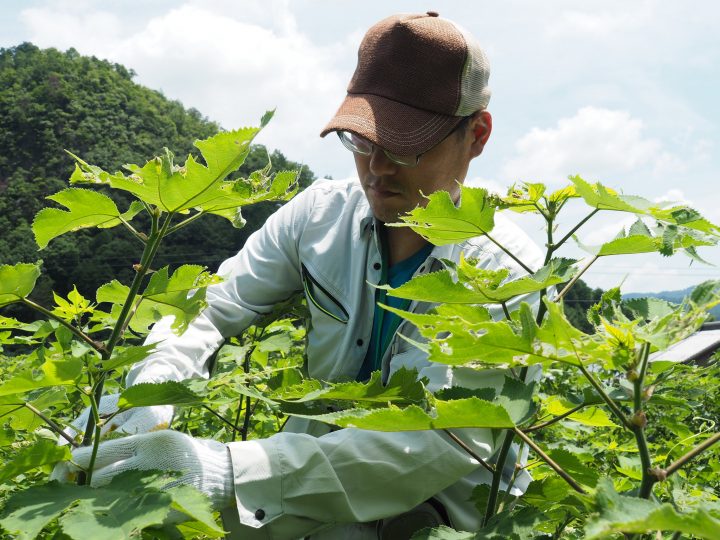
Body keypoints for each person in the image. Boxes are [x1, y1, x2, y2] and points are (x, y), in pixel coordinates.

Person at [54, 12, 543, 540]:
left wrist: (223, 471)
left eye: (406, 146)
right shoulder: (318, 216)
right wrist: (151, 386)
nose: (377, 168)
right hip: (293, 499)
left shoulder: (504, 273)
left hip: (434, 519)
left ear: (477, 134)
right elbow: (213, 306)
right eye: (361, 140)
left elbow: (439, 443)